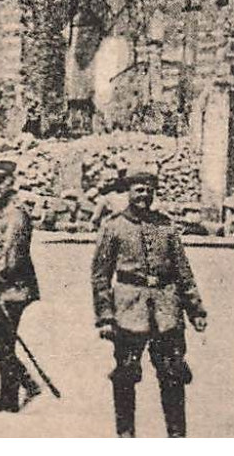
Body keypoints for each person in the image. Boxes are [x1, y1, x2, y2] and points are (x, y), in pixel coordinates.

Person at [91, 169, 207, 438]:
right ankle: (126, 435)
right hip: (129, 310)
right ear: (128, 193)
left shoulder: (165, 226)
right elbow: (100, 276)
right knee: (125, 373)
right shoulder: (113, 226)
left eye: (149, 190)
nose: (144, 195)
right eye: (138, 190)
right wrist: (106, 316)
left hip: (166, 311)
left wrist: (195, 310)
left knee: (173, 373)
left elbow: (183, 271)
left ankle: (176, 436)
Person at [0, 159, 41, 412]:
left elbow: (11, 256)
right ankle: (14, 393)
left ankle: (20, 388)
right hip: (1, 287)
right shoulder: (0, 211)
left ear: (11, 182)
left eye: (0, 181)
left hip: (13, 288)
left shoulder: (16, 214)